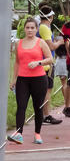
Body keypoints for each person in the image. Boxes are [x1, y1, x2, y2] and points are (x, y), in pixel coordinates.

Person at [8, 16, 53, 145]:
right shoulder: (18, 43)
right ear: (24, 29)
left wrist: (38, 62)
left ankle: (37, 134)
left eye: (32, 28)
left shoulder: (40, 42)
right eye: (27, 28)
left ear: (36, 29)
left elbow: (50, 58)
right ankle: (19, 134)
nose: (30, 30)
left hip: (39, 79)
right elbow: (17, 62)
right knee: (21, 106)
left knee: (37, 107)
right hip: (22, 79)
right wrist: (13, 79)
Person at [37, 5, 63, 125]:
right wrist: (60, 42)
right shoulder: (44, 28)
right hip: (45, 64)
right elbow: (51, 46)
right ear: (51, 17)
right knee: (47, 91)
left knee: (46, 90)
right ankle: (46, 115)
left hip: (45, 63)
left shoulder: (43, 27)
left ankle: (43, 115)